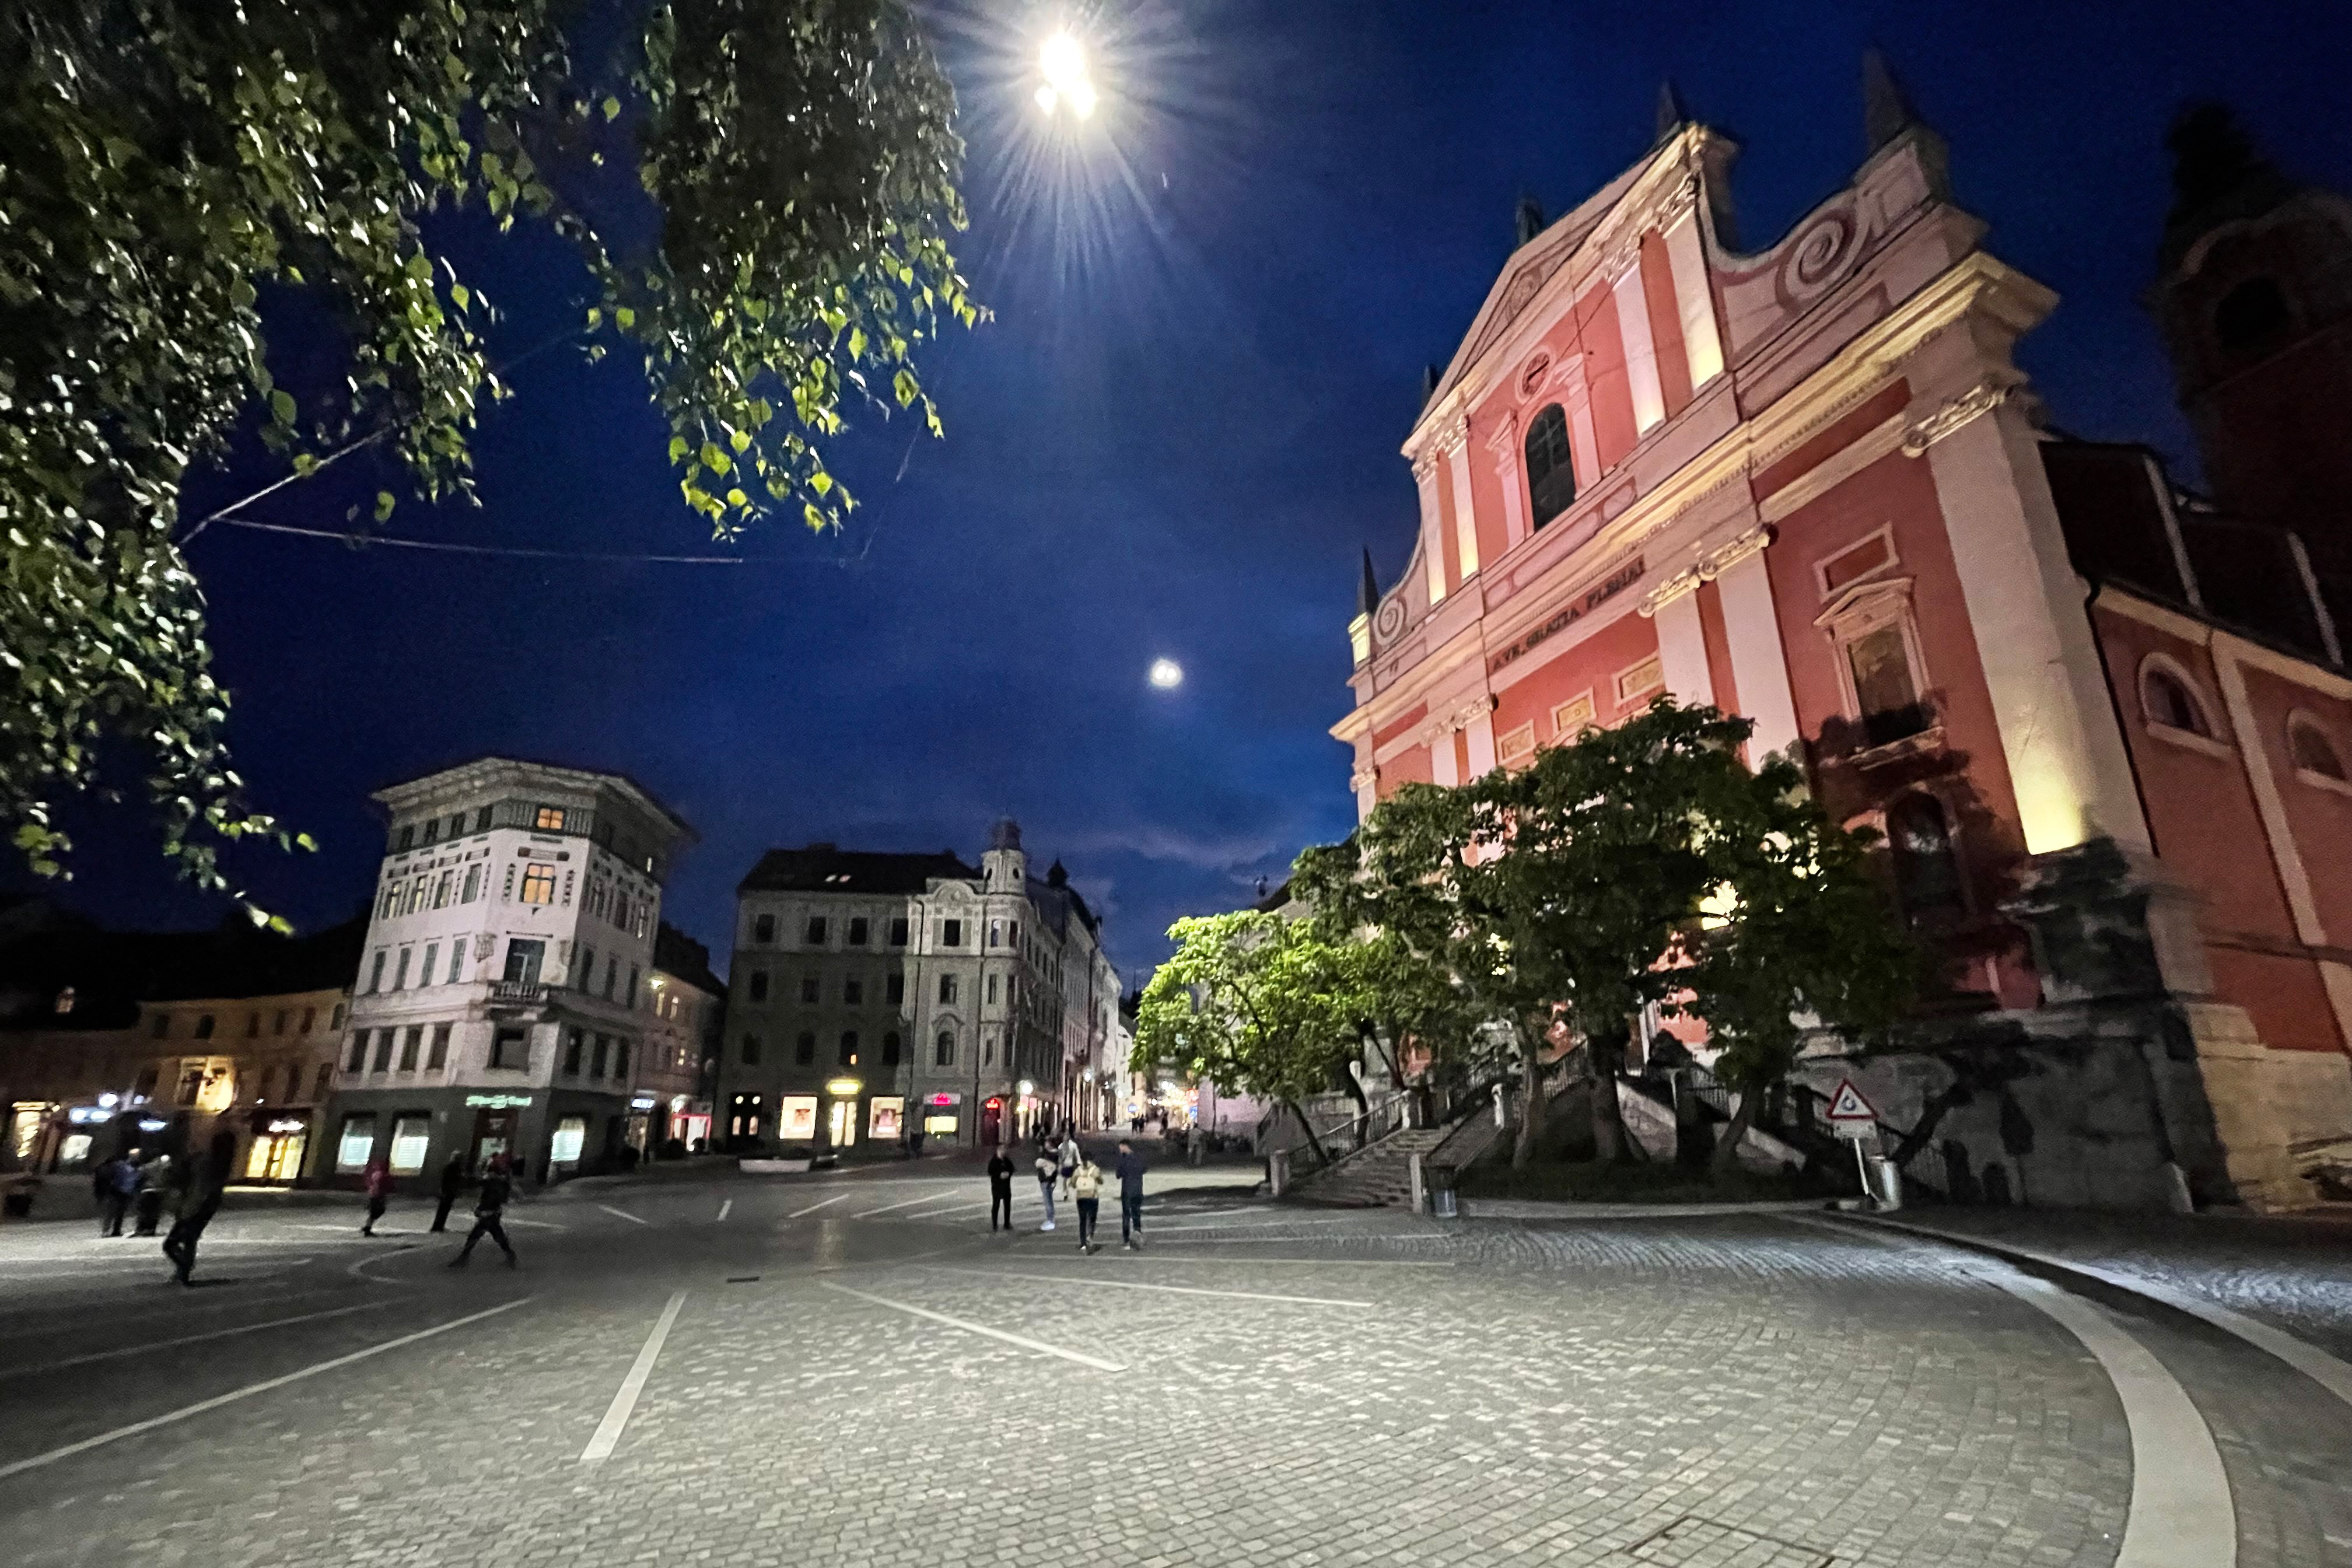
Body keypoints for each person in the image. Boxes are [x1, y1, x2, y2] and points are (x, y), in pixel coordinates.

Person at [162, 1129, 236, 1286]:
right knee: (190, 1240)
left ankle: (184, 1268)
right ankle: (184, 1272)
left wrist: (186, 1209)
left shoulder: (203, 1163)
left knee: (172, 1243)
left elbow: (198, 1189)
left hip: (195, 1208)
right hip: (204, 1207)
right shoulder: (216, 1165)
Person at [449, 1153, 517, 1267]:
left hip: (489, 1213)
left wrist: (483, 1210)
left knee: (477, 1235)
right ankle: (510, 1255)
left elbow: (489, 1197)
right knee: (496, 1234)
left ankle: (463, 1258)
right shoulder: (497, 1182)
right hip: (492, 1212)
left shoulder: (493, 1183)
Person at [1115, 1139, 1147, 1250]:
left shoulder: (1123, 1160)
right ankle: (1138, 1237)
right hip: (1138, 1190)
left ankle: (1126, 1240)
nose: (1120, 1149)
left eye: (1121, 1147)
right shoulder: (1139, 1158)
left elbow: (1118, 1174)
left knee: (1126, 1216)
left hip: (1127, 1191)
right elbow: (1144, 1169)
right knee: (1137, 1214)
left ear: (1125, 1147)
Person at [94, 1153, 134, 1237]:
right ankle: (116, 1230)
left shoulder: (103, 1168)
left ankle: (106, 1231)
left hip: (110, 1192)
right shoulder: (123, 1167)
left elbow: (99, 1181)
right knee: (119, 1213)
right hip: (121, 1192)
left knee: (109, 1213)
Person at [1070, 1152, 1102, 1253]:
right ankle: (1090, 1238)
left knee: (1082, 1221)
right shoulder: (1095, 1169)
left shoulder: (1078, 1170)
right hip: (1093, 1197)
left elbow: (1073, 1182)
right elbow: (1101, 1181)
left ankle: (1083, 1243)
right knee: (1092, 1219)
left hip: (1081, 1198)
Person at [132, 1152, 170, 1236]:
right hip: (159, 1191)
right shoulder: (164, 1165)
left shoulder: (145, 1167)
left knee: (143, 1211)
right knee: (155, 1212)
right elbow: (167, 1178)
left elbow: (138, 1178)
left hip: (146, 1190)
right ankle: (151, 1229)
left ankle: (141, 1229)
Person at [430, 1151, 466, 1233]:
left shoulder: (452, 1167)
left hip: (448, 1190)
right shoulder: (454, 1167)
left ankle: (438, 1226)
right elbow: (452, 1179)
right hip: (449, 1191)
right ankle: (438, 1227)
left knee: (443, 1209)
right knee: (444, 1209)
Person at [360, 1155, 393, 1236]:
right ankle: (367, 1228)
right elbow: (382, 1185)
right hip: (377, 1195)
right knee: (377, 1211)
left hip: (374, 1194)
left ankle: (368, 1227)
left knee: (375, 1212)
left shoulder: (376, 1174)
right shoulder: (381, 1174)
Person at [985, 1146, 1016, 1233]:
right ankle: (995, 1224)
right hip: (997, 1186)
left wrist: (1008, 1174)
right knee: (996, 1205)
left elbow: (1012, 1168)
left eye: (1004, 1151)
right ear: (998, 1151)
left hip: (1006, 1186)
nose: (1003, 1153)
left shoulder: (1007, 1160)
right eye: (1002, 1151)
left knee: (1007, 1205)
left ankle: (1007, 1223)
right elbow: (990, 1171)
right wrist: (999, 1175)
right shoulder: (994, 1161)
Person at [1034, 1144, 1059, 1232]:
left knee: (1048, 1201)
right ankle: (1050, 1220)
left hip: (1046, 1181)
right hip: (1047, 1181)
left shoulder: (1050, 1155)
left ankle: (1050, 1221)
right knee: (1048, 1201)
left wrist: (1052, 1181)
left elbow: (1040, 1165)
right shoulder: (1051, 1155)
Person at [1057, 1128, 1082, 1198]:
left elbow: (1077, 1154)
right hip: (1065, 1165)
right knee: (1065, 1179)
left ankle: (1068, 1189)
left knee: (1071, 1179)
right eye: (1065, 1136)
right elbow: (1060, 1157)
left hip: (1072, 1164)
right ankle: (1066, 1192)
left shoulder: (1073, 1145)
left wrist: (1079, 1163)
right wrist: (1059, 1165)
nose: (1065, 1138)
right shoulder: (1061, 1147)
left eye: (1067, 1136)